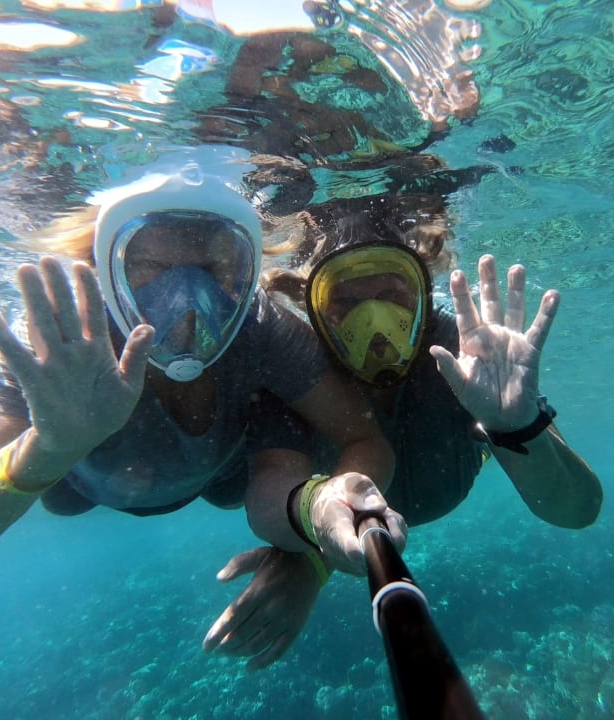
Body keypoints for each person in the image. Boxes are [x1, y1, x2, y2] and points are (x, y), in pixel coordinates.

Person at [0, 153, 409, 603]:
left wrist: (324, 508)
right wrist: (48, 450)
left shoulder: (262, 328)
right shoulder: (50, 346)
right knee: (62, 497)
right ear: (103, 268)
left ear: (244, 272)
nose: (187, 299)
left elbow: (363, 438)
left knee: (247, 474)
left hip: (219, 476)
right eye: (151, 267)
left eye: (214, 269)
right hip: (83, 484)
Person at [203, 202, 602, 668]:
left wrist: (515, 425)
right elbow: (276, 480)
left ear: (422, 296)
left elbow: (577, 510)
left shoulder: (467, 350)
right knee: (224, 488)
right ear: (316, 309)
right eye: (346, 303)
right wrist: (311, 552)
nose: (374, 323)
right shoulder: (302, 370)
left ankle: (488, 443)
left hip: (454, 468)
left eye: (392, 294)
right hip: (393, 495)